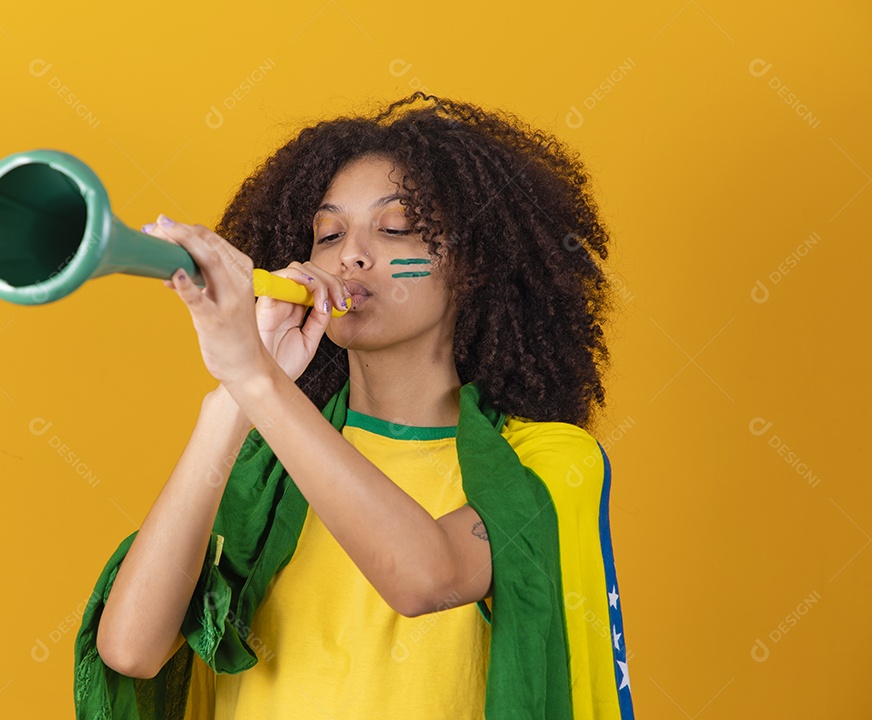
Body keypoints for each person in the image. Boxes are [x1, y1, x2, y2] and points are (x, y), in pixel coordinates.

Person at [77, 92, 634, 719]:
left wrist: (258, 383)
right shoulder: (270, 459)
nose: (351, 254)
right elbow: (130, 650)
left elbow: (427, 578)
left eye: (396, 228)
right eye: (329, 233)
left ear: (475, 265)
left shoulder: (552, 460)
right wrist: (237, 394)